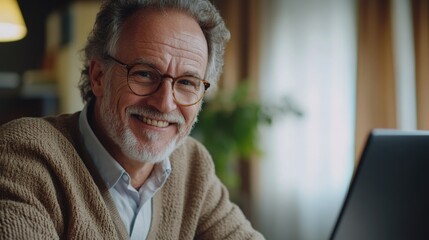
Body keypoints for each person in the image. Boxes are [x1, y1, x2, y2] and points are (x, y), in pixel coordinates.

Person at [0, 0, 265, 239]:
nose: (165, 103)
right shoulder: (24, 154)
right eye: (145, 74)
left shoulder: (193, 165)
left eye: (187, 82)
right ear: (98, 77)